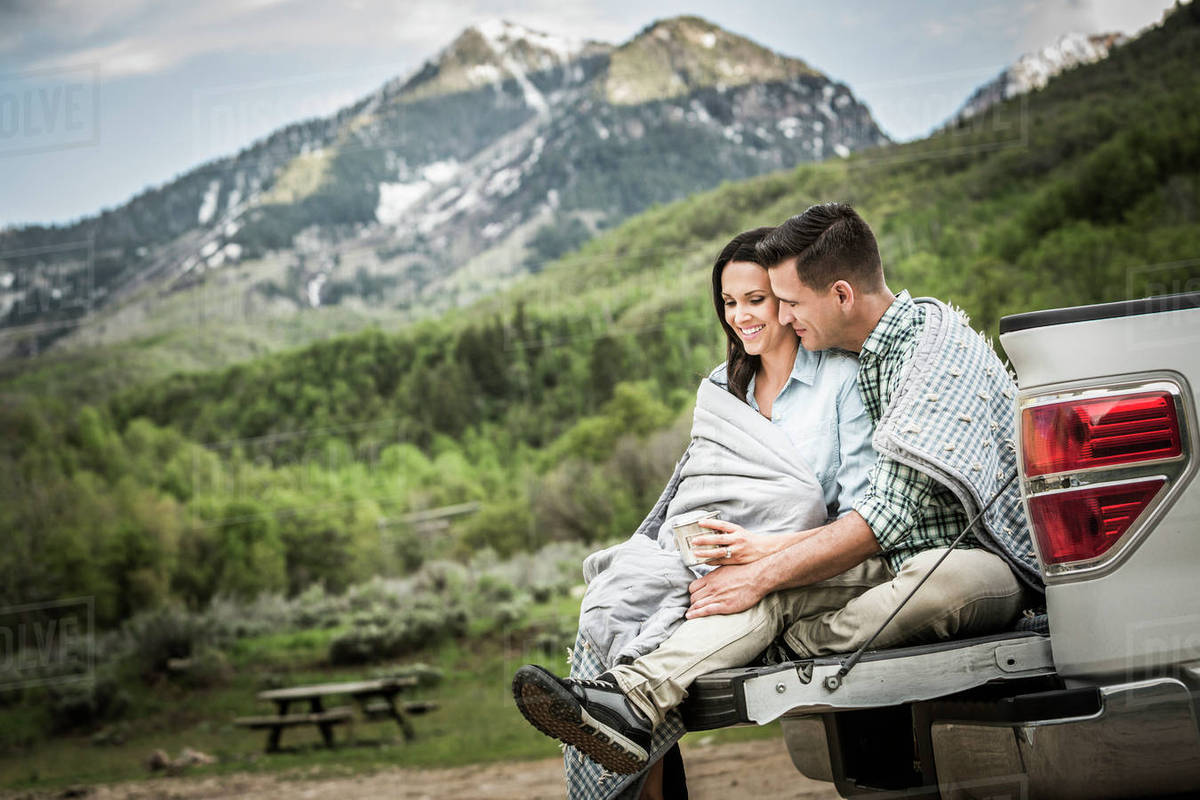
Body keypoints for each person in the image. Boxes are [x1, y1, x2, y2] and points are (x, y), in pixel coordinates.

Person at [512, 203, 1042, 778]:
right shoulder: (859, 360)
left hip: (966, 563)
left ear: (839, 295)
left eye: (784, 301)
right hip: (876, 563)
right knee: (763, 590)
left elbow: (884, 515)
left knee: (936, 583)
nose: (779, 316)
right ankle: (630, 700)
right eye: (738, 302)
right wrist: (748, 560)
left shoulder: (928, 352)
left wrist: (764, 560)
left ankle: (785, 647)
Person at [541, 226, 876, 799]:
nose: (741, 317)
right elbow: (698, 489)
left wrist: (758, 551)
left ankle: (621, 710)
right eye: (729, 303)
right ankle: (619, 743)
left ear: (785, 300)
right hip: (707, 560)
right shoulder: (724, 388)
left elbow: (859, 511)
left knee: (668, 620)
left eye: (756, 300)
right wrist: (697, 542)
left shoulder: (839, 381)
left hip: (798, 563)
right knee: (617, 597)